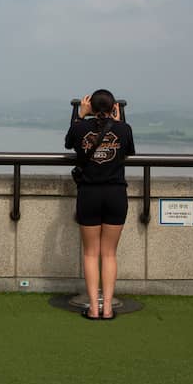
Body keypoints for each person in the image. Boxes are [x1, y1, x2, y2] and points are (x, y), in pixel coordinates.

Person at [65, 89, 135, 321]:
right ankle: (108, 309)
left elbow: (68, 144)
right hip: (116, 194)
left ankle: (94, 308)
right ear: (114, 106)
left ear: (91, 107)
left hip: (89, 194)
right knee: (109, 254)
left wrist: (80, 116)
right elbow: (129, 151)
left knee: (91, 253)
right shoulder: (124, 129)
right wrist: (117, 120)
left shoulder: (79, 128)